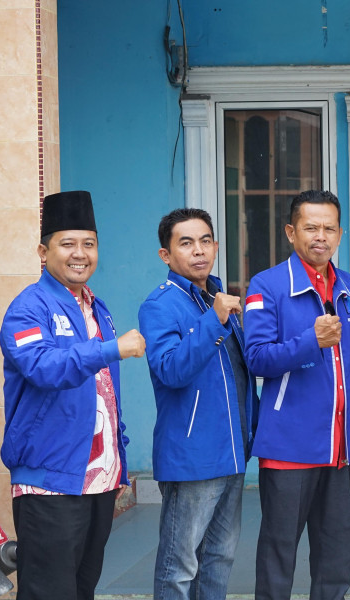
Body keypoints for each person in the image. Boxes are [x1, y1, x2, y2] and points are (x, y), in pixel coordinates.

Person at [0, 190, 146, 600]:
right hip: (50, 482)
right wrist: (110, 349)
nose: (80, 254)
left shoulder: (98, 308)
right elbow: (42, 367)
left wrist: (118, 458)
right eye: (68, 244)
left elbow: (104, 395)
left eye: (89, 244)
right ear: (43, 252)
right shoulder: (28, 308)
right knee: (49, 592)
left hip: (99, 480)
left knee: (82, 589)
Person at [243, 190, 350, 600]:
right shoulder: (267, 286)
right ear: (291, 232)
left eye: (329, 228)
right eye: (311, 227)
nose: (321, 236)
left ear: (340, 234)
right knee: (279, 550)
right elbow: (257, 359)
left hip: (339, 444)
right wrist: (310, 341)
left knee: (335, 551)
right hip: (288, 444)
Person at [138, 208, 258, 600]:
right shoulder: (160, 305)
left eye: (205, 241)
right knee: (179, 567)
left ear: (216, 246)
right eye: (186, 243)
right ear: (166, 255)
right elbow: (171, 370)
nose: (199, 250)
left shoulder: (215, 299)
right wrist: (215, 321)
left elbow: (239, 373)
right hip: (192, 456)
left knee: (219, 559)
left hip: (233, 451)